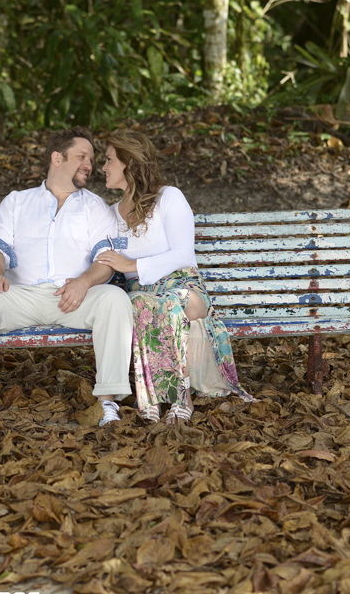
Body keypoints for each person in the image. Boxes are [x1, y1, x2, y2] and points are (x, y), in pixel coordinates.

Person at [0, 127, 133, 427]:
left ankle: (108, 404)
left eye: (91, 159)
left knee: (116, 299)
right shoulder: (17, 202)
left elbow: (105, 260)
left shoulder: (95, 207)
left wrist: (84, 282)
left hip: (74, 297)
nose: (90, 165)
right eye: (82, 156)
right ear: (57, 158)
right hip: (21, 295)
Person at [95, 130, 254, 424]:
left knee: (166, 302)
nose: (102, 167)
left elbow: (183, 254)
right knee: (141, 303)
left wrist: (132, 264)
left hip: (184, 288)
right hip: (142, 294)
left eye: (109, 160)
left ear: (129, 163)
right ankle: (154, 398)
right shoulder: (110, 215)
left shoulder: (169, 198)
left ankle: (182, 397)